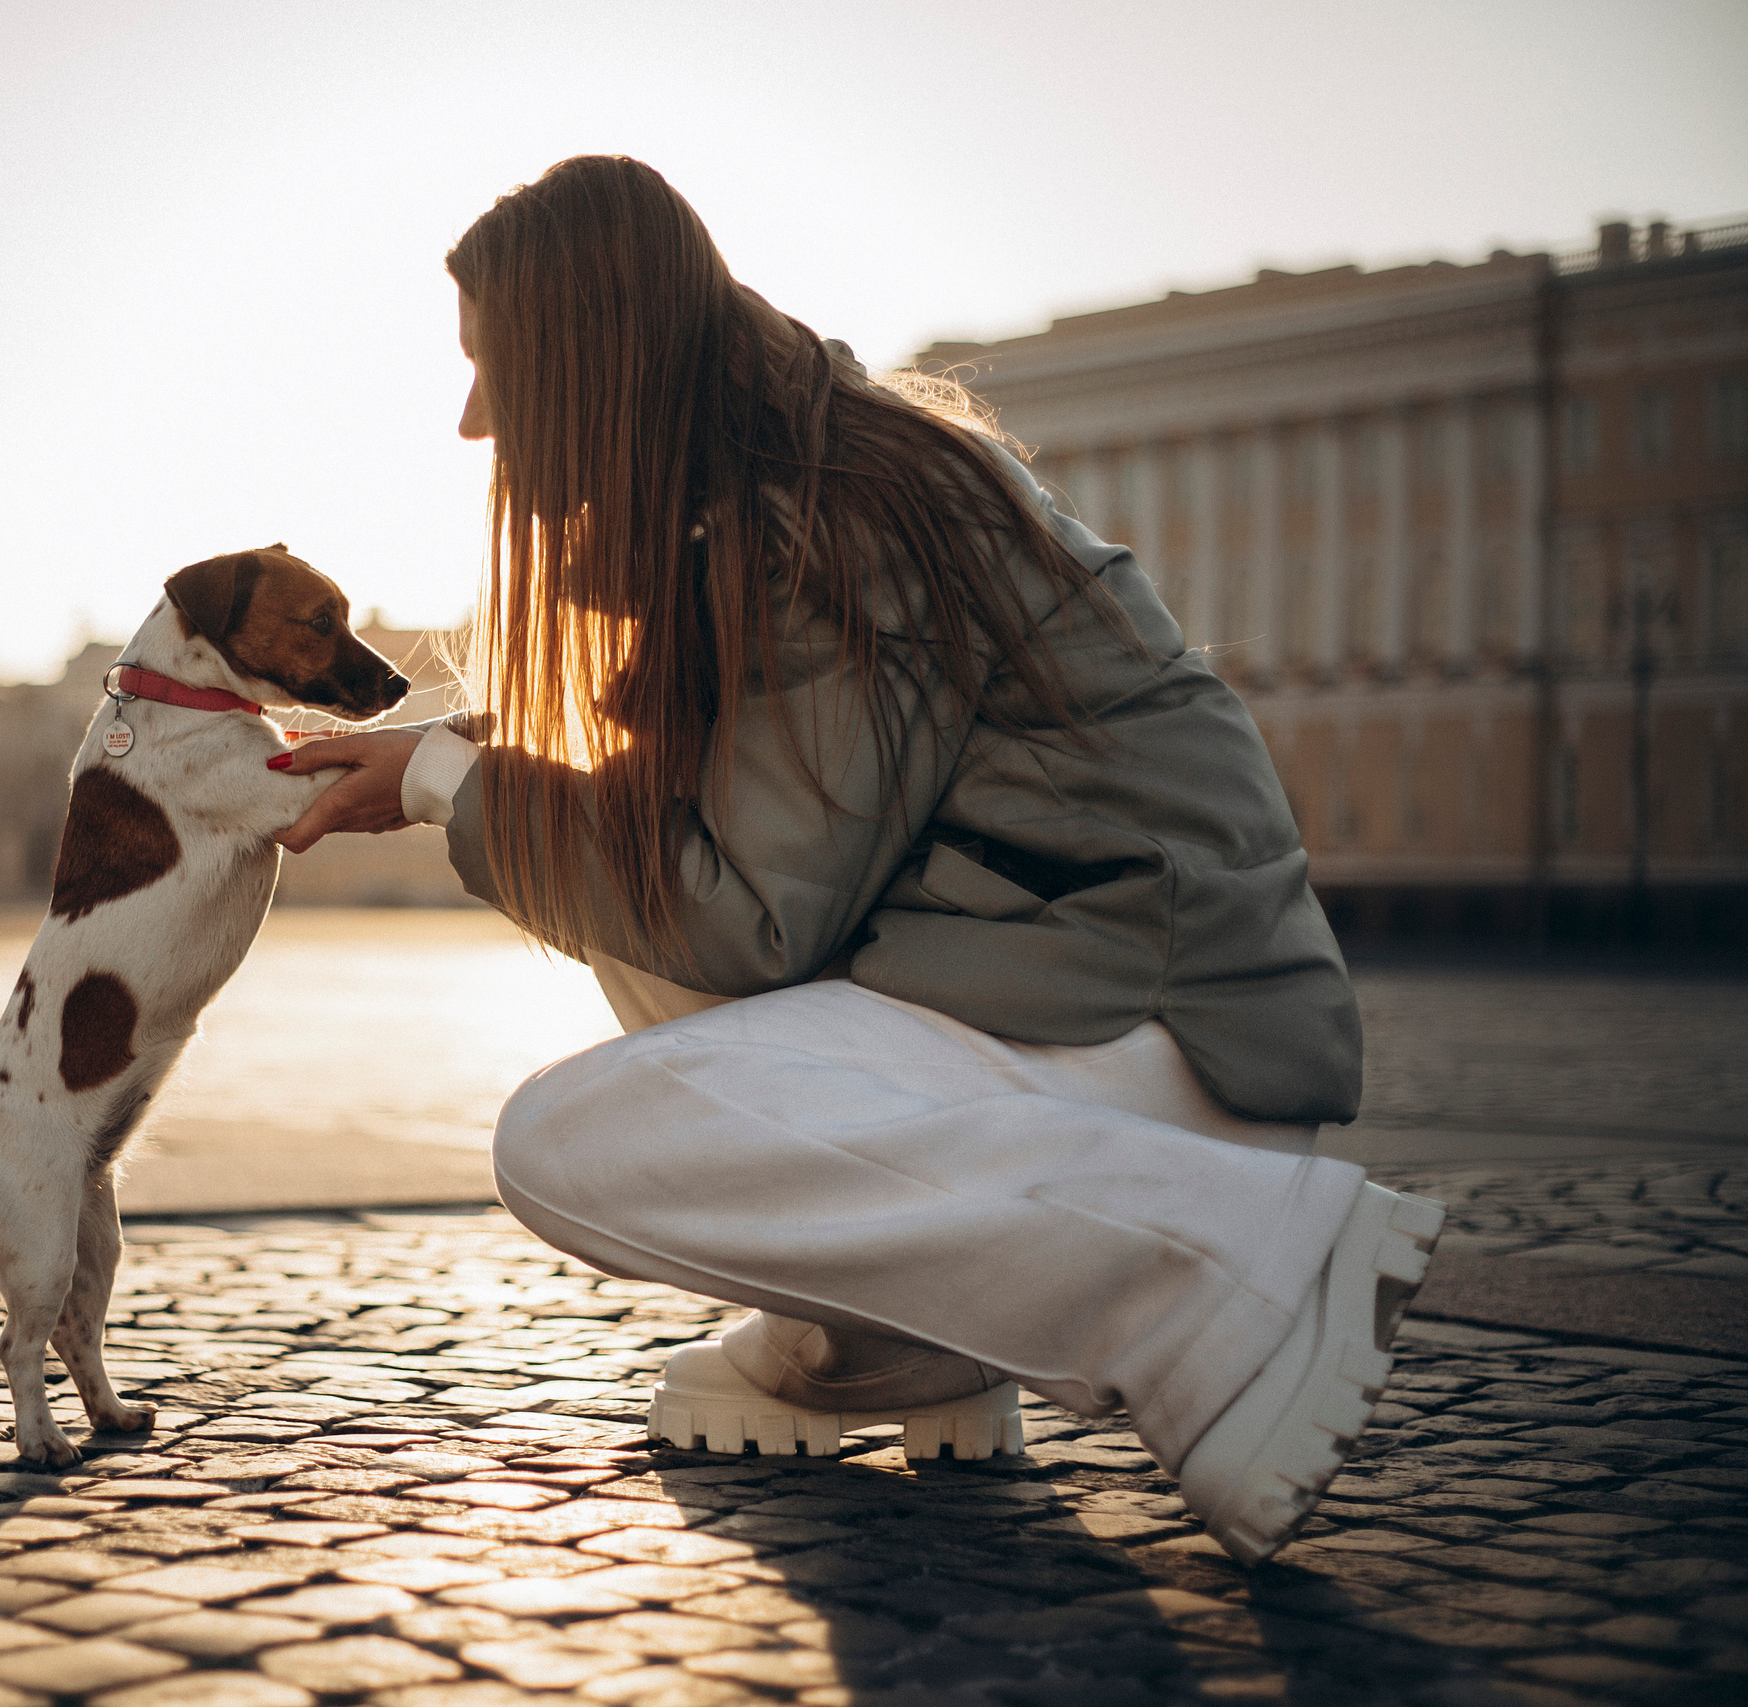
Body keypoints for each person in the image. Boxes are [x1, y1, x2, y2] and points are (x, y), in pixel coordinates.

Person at [269, 155, 1442, 1567]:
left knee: (564, 1142)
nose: (471, 420)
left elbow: (746, 915)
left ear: (587, 362)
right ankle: (896, 1353)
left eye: (492, 368)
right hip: (1081, 1004)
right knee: (625, 908)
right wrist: (450, 769)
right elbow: (711, 845)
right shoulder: (793, 492)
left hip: (1161, 1041)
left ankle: (1229, 1283)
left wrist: (455, 783)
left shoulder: (831, 518)